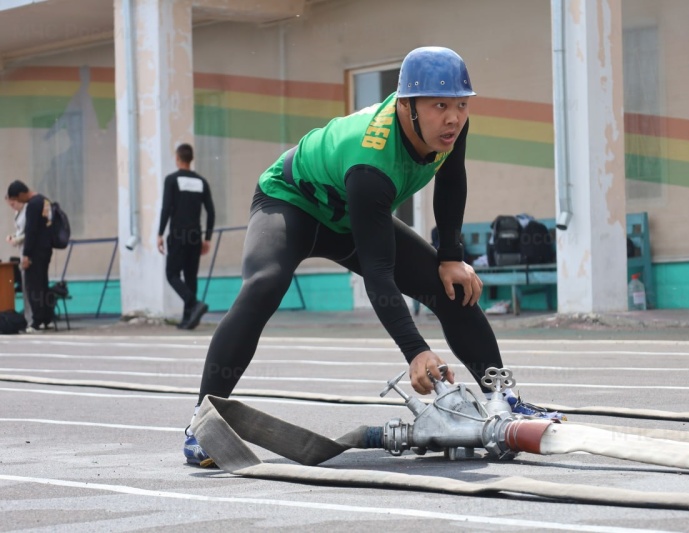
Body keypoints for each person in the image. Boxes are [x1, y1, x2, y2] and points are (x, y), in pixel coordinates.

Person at [182, 47, 560, 467]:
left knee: (449, 287)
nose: (453, 117)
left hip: (349, 215)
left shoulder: (451, 129)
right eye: (440, 105)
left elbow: (452, 180)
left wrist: (450, 255)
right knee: (265, 285)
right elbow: (377, 273)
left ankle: (502, 400)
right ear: (406, 107)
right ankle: (202, 424)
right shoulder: (371, 161)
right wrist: (416, 350)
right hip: (290, 204)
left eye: (461, 104)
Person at [157, 143, 215, 330]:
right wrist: (207, 238)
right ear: (191, 159)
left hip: (178, 234)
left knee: (171, 273)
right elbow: (211, 211)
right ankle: (188, 319)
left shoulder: (172, 180)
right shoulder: (201, 181)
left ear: (177, 158)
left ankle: (193, 303)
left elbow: (166, 208)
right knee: (191, 276)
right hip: (195, 235)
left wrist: (159, 233)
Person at [6, 181, 54, 332]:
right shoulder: (45, 200)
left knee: (33, 286)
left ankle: (36, 321)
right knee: (43, 284)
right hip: (46, 249)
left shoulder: (32, 205)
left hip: (35, 251)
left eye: (17, 199)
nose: (19, 202)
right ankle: (47, 319)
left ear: (21, 194)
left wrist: (26, 254)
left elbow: (31, 231)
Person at [5, 195, 33, 327]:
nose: (12, 207)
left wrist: (18, 239)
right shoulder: (18, 213)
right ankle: (27, 318)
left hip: (29, 250)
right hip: (21, 250)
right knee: (25, 285)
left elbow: (29, 232)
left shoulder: (28, 210)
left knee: (30, 286)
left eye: (13, 204)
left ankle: (33, 318)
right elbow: (19, 230)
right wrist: (14, 237)